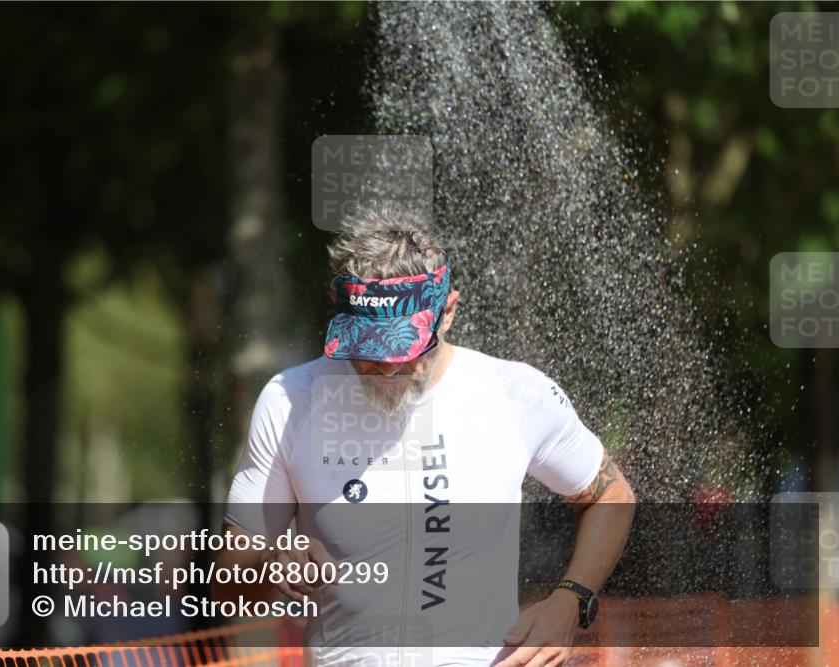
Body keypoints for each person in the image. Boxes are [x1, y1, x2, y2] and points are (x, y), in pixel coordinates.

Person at [214, 206, 635, 667]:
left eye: (404, 348)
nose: (387, 368)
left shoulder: (516, 394)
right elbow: (229, 586)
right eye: (368, 349)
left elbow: (610, 494)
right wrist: (272, 561)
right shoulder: (291, 400)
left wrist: (571, 600)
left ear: (447, 312)